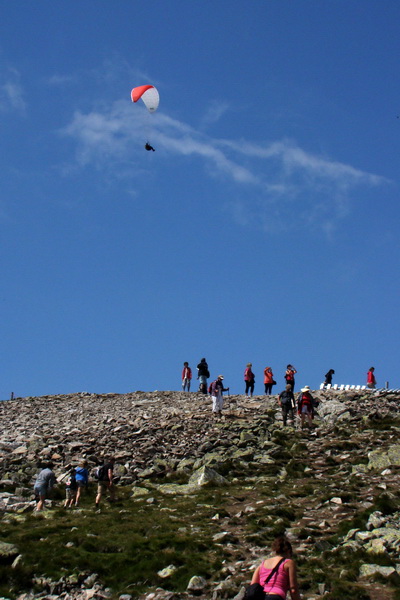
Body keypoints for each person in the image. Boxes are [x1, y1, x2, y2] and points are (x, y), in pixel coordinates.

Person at [250, 535, 301, 600]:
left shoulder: (262, 565)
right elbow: (293, 590)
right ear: (288, 551)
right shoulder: (288, 563)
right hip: (276, 597)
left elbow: (253, 586)